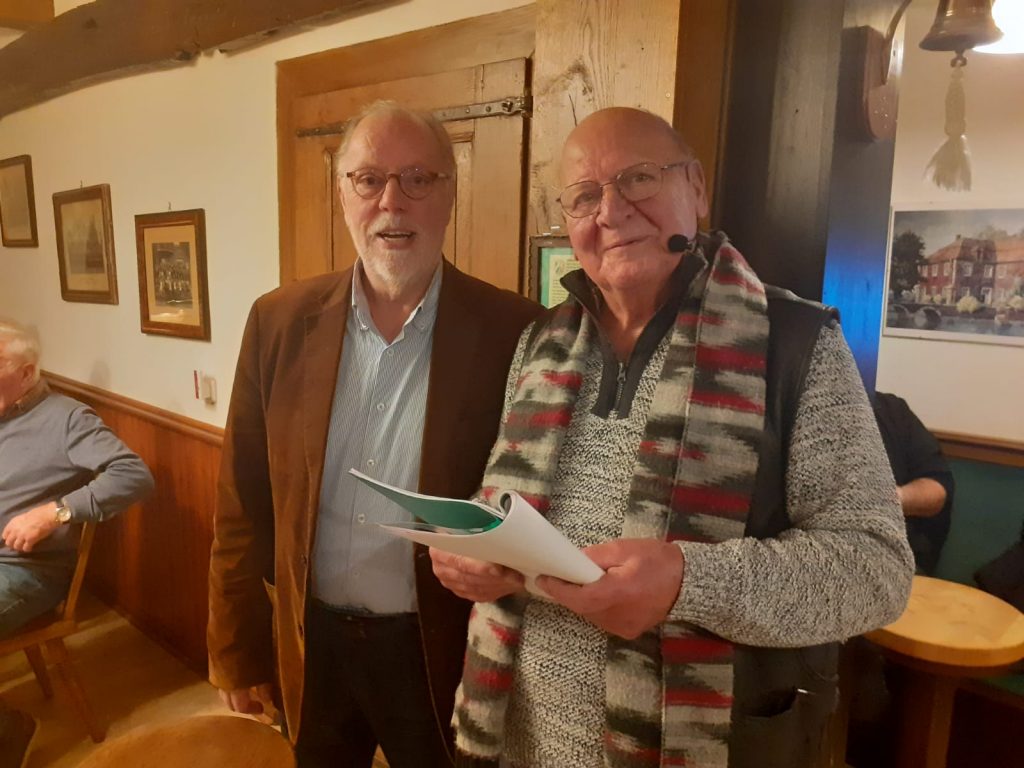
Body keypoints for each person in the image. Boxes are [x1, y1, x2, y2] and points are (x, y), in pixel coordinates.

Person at [430, 107, 915, 768]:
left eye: (638, 178)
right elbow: (510, 506)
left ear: (697, 187)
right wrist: (476, 544)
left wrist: (688, 582)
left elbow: (877, 571)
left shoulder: (797, 344)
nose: (611, 211)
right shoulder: (540, 342)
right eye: (584, 196)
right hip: (521, 743)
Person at [206, 101, 540, 768]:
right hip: (311, 644)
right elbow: (242, 499)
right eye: (369, 179)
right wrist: (236, 650)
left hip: (441, 649)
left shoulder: (517, 331)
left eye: (418, 179)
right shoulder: (277, 321)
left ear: (450, 193)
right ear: (343, 194)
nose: (393, 202)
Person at [0, 318, 154, 767]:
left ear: (26, 372)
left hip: (25, 568)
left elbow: (134, 476)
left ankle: (10, 729)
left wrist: (54, 512)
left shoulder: (67, 419)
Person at [872, 391, 955, 575]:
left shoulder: (893, 410)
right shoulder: (806, 410)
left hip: (895, 562)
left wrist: (891, 498)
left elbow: (938, 489)